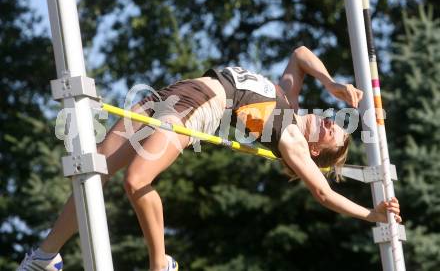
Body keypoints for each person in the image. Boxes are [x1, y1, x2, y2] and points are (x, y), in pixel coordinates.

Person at [18, 46, 402, 271]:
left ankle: (160, 263)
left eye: (333, 132)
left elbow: (322, 193)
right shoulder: (289, 100)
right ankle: (45, 257)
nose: (331, 122)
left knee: (135, 181)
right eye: (335, 122)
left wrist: (371, 214)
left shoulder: (292, 142)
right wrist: (332, 83)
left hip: (201, 105)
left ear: (316, 150)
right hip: (174, 92)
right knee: (94, 167)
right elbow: (300, 54)